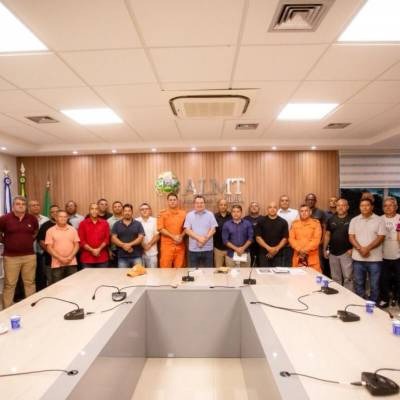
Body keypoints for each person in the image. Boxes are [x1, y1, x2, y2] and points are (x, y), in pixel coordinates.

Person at [0, 196, 38, 308]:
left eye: (23, 204)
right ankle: (7, 309)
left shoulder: (32, 219)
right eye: (18, 204)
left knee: (30, 283)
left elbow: (35, 232)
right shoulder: (4, 219)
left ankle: (31, 307)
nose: (21, 206)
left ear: (26, 206)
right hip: (11, 257)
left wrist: (29, 240)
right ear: (13, 206)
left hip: (29, 256)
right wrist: (6, 241)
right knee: (10, 284)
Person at [349, 198, 386, 303]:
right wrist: (360, 249)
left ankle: (373, 304)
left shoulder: (379, 220)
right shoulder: (354, 220)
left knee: (374, 284)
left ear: (372, 207)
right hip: (358, 258)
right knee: (359, 283)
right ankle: (361, 302)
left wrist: (367, 249)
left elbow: (381, 237)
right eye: (362, 205)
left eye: (367, 205)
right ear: (359, 207)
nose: (364, 207)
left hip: (375, 259)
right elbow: (351, 237)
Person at [323, 199, 353, 291]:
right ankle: (337, 294)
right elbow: (327, 235)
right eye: (338, 205)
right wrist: (324, 249)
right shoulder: (331, 219)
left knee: (348, 277)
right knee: (335, 277)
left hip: (347, 252)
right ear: (336, 207)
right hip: (333, 253)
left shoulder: (352, 220)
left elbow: (357, 236)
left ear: (347, 207)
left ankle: (349, 296)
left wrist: (353, 248)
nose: (340, 207)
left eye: (343, 205)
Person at [45, 210, 80, 283]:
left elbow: (77, 245)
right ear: (56, 218)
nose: (63, 218)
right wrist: (60, 258)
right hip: (57, 264)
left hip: (71, 263)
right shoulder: (50, 231)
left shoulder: (73, 229)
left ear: (67, 218)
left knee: (73, 284)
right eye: (60, 216)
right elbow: (49, 248)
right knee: (58, 286)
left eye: (65, 217)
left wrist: (70, 257)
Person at [184, 195, 218, 268]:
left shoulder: (210, 214)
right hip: (193, 250)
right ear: (194, 204)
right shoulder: (189, 215)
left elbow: (213, 229)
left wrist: (204, 241)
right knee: (193, 272)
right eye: (197, 203)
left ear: (204, 204)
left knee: (208, 272)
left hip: (208, 249)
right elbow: (187, 230)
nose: (199, 205)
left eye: (201, 203)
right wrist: (199, 238)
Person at [380, 197, 400, 308]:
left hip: (398, 255)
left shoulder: (399, 218)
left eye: (391, 205)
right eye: (385, 205)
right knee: (384, 279)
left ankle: (397, 298)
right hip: (383, 256)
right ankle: (385, 299)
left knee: (398, 279)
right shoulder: (379, 219)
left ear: (396, 207)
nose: (388, 207)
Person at [289, 204, 322, 272]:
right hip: (298, 257)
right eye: (302, 211)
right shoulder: (295, 224)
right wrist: (299, 249)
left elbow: (316, 240)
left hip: (312, 258)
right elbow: (291, 239)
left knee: (314, 277)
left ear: (310, 212)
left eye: (306, 211)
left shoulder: (316, 224)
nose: (304, 213)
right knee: (297, 277)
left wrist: (304, 250)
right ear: (299, 213)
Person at [255, 202, 288, 267]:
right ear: (267, 209)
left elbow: (285, 238)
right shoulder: (260, 221)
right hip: (264, 254)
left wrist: (276, 249)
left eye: (274, 207)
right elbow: (258, 238)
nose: (272, 209)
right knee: (264, 273)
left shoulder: (283, 222)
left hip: (278, 254)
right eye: (270, 207)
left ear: (277, 209)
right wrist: (269, 249)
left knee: (278, 273)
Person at [157, 193, 186, 268]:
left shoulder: (184, 213)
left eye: (174, 200)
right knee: (165, 269)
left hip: (180, 245)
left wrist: (181, 236)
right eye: (170, 200)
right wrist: (173, 237)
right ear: (167, 201)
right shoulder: (162, 214)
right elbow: (160, 228)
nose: (172, 201)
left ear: (177, 201)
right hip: (166, 246)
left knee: (180, 269)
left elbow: (187, 228)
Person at [112, 204, 144, 268]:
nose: (127, 213)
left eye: (129, 211)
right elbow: (113, 238)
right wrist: (123, 245)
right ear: (122, 212)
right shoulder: (117, 224)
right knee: (122, 274)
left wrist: (129, 244)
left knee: (138, 274)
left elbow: (141, 237)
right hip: (122, 257)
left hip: (136, 256)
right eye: (125, 211)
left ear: (132, 212)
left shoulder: (138, 224)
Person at [78, 203, 110, 268]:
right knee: (87, 275)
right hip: (87, 258)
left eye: (96, 209)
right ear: (89, 211)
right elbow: (82, 240)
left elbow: (107, 239)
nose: (94, 211)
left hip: (102, 257)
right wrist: (92, 250)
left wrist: (99, 249)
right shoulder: (82, 224)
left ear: (98, 211)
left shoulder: (105, 223)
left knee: (103, 275)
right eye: (92, 209)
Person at [28, 200, 49, 291]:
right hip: (29, 251)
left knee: (42, 274)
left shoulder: (46, 219)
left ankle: (42, 292)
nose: (36, 207)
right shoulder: (25, 219)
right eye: (33, 205)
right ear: (29, 207)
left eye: (37, 205)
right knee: (30, 275)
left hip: (43, 251)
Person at [305, 193, 328, 276]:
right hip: (305, 243)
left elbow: (324, 227)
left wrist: (322, 240)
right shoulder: (303, 211)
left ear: (315, 201)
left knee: (318, 264)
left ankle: (319, 281)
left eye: (312, 200)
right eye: (309, 199)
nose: (310, 201)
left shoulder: (320, 212)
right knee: (305, 263)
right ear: (306, 201)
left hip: (317, 244)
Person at [37, 205, 59, 286]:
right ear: (50, 214)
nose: (55, 213)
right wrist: (52, 253)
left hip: (66, 259)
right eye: (52, 212)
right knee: (51, 282)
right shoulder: (45, 226)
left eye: (57, 211)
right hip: (50, 259)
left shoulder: (67, 224)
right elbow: (41, 241)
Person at [277, 195, 299, 267]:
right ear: (279, 202)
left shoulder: (295, 212)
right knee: (279, 264)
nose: (284, 202)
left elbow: (298, 227)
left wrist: (290, 240)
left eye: (286, 200)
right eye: (282, 200)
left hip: (291, 243)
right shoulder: (276, 213)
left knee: (289, 264)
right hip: (278, 243)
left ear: (289, 202)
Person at [136, 203, 159, 268]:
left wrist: (149, 245)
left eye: (146, 209)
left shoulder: (155, 220)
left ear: (150, 210)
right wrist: (143, 245)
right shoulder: (136, 221)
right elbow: (135, 236)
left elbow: (157, 235)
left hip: (152, 252)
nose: (144, 211)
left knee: (153, 273)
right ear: (140, 211)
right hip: (139, 253)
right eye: (142, 209)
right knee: (140, 273)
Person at [213, 199, 231, 268]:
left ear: (227, 206)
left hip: (230, 248)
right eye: (221, 205)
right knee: (218, 269)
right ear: (218, 206)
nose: (223, 206)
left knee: (231, 270)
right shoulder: (214, 217)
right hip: (218, 248)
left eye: (225, 205)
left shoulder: (232, 216)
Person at [245, 202, 263, 267]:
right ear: (249, 209)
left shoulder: (264, 219)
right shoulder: (245, 219)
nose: (254, 207)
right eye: (252, 206)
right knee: (249, 266)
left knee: (261, 266)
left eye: (256, 206)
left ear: (259, 208)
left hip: (261, 247)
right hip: (248, 247)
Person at [107, 201, 123, 267]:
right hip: (114, 249)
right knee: (115, 270)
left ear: (122, 208)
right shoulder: (108, 221)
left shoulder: (128, 219)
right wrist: (109, 250)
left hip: (126, 248)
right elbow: (107, 237)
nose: (117, 208)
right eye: (115, 207)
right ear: (112, 209)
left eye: (119, 206)